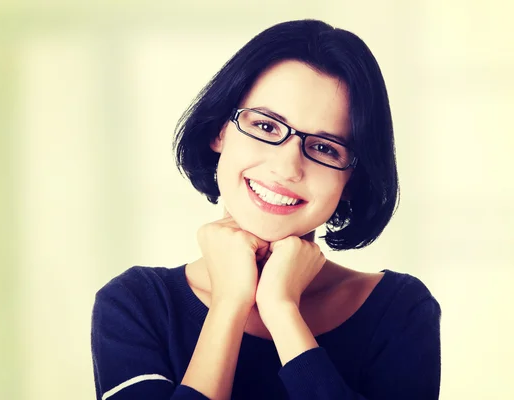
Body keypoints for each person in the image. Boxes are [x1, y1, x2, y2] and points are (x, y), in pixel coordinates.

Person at [90, 19, 441, 400]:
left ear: (351, 181)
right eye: (267, 126)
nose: (287, 168)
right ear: (219, 131)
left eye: (325, 148)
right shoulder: (135, 305)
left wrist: (282, 311)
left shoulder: (399, 311)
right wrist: (229, 304)